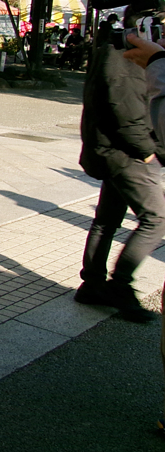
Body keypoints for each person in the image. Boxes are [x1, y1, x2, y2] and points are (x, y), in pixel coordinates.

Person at [74, 7, 165, 323]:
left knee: (107, 218)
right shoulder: (123, 55)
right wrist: (147, 152)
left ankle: (93, 284)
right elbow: (125, 110)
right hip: (126, 153)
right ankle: (120, 284)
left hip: (114, 151)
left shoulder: (115, 50)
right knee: (156, 218)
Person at [120, 33, 165, 431]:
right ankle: (113, 281)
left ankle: (115, 280)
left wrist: (158, 64)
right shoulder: (113, 59)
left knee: (153, 217)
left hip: (128, 153)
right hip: (123, 154)